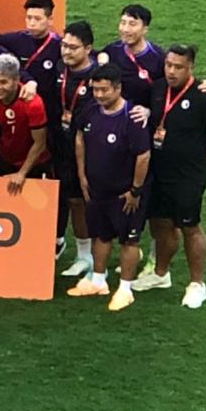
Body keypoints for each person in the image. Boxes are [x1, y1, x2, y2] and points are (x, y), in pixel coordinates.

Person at [131, 44, 206, 309]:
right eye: (169, 65)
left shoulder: (204, 98)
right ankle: (160, 274)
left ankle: (197, 284)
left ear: (190, 67)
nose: (172, 71)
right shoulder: (158, 88)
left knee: (189, 226)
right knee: (160, 223)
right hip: (159, 171)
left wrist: (195, 152)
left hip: (188, 176)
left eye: (178, 67)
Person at [67, 63, 152, 311]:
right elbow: (80, 137)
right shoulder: (90, 110)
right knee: (100, 235)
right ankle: (98, 280)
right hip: (96, 189)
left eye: (105, 90)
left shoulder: (132, 118)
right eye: (95, 90)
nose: (100, 95)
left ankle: (125, 289)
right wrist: (82, 175)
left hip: (125, 194)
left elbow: (143, 156)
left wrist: (135, 190)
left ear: (118, 88)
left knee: (129, 241)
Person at [52, 20, 99, 276]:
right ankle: (84, 255)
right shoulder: (60, 67)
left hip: (90, 149)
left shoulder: (96, 78)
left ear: (88, 49)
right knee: (72, 200)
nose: (66, 52)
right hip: (61, 146)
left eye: (73, 47)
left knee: (89, 201)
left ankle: (95, 258)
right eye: (64, 46)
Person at [0, 54, 50, 205]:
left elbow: (40, 143)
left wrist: (22, 173)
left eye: (3, 82)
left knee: (35, 209)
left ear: (16, 80)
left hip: (35, 163)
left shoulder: (33, 104)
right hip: (5, 159)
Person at [97, 4, 166, 107]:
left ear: (145, 29)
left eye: (132, 24)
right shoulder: (112, 50)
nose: (125, 29)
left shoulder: (158, 57)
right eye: (123, 23)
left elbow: (165, 93)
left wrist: (149, 111)